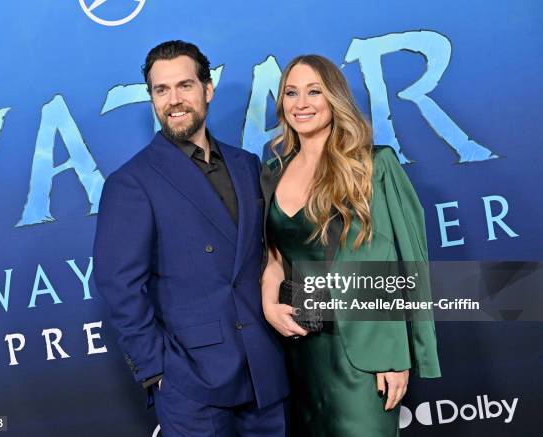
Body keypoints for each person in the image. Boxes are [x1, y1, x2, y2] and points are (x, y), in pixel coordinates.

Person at [93, 40, 288, 436]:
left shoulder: (246, 165)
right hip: (193, 386)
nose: (173, 100)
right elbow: (119, 286)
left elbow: (268, 253)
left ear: (208, 90)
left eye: (184, 86)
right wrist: (158, 372)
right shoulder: (131, 183)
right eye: (161, 90)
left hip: (265, 372)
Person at [260, 55, 441, 436]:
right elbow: (276, 252)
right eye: (291, 93)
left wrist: (398, 355)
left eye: (314, 91)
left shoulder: (375, 166)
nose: (301, 103)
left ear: (335, 99)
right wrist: (267, 296)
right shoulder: (272, 172)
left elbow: (407, 264)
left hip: (364, 355)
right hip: (301, 350)